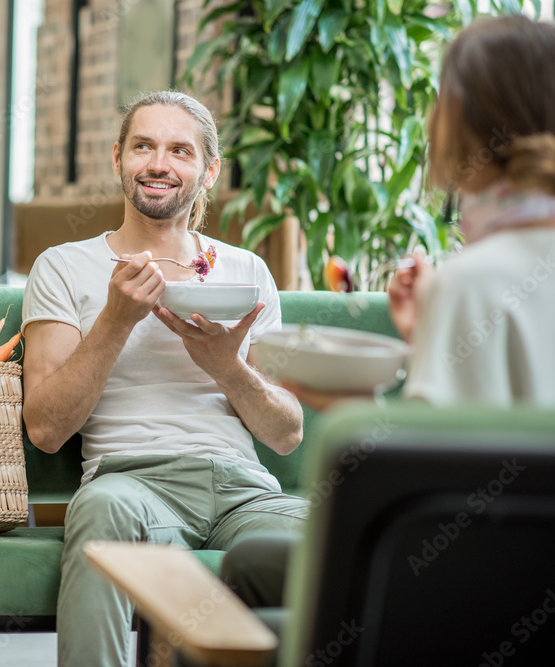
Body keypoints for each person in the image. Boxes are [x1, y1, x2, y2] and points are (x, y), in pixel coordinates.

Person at [226, 13, 555, 613]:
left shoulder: (476, 280)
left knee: (250, 565)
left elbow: (426, 486)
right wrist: (432, 338)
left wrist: (343, 398)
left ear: (464, 118)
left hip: (485, 581)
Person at [20, 90, 309, 667]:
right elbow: (47, 428)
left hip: (244, 490)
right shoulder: (63, 265)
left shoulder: (246, 272)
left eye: (180, 151)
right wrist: (115, 321)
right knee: (100, 511)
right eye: (143, 146)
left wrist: (228, 367)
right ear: (118, 160)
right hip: (131, 485)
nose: (159, 164)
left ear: (209, 171)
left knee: (329, 540)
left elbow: (286, 433)